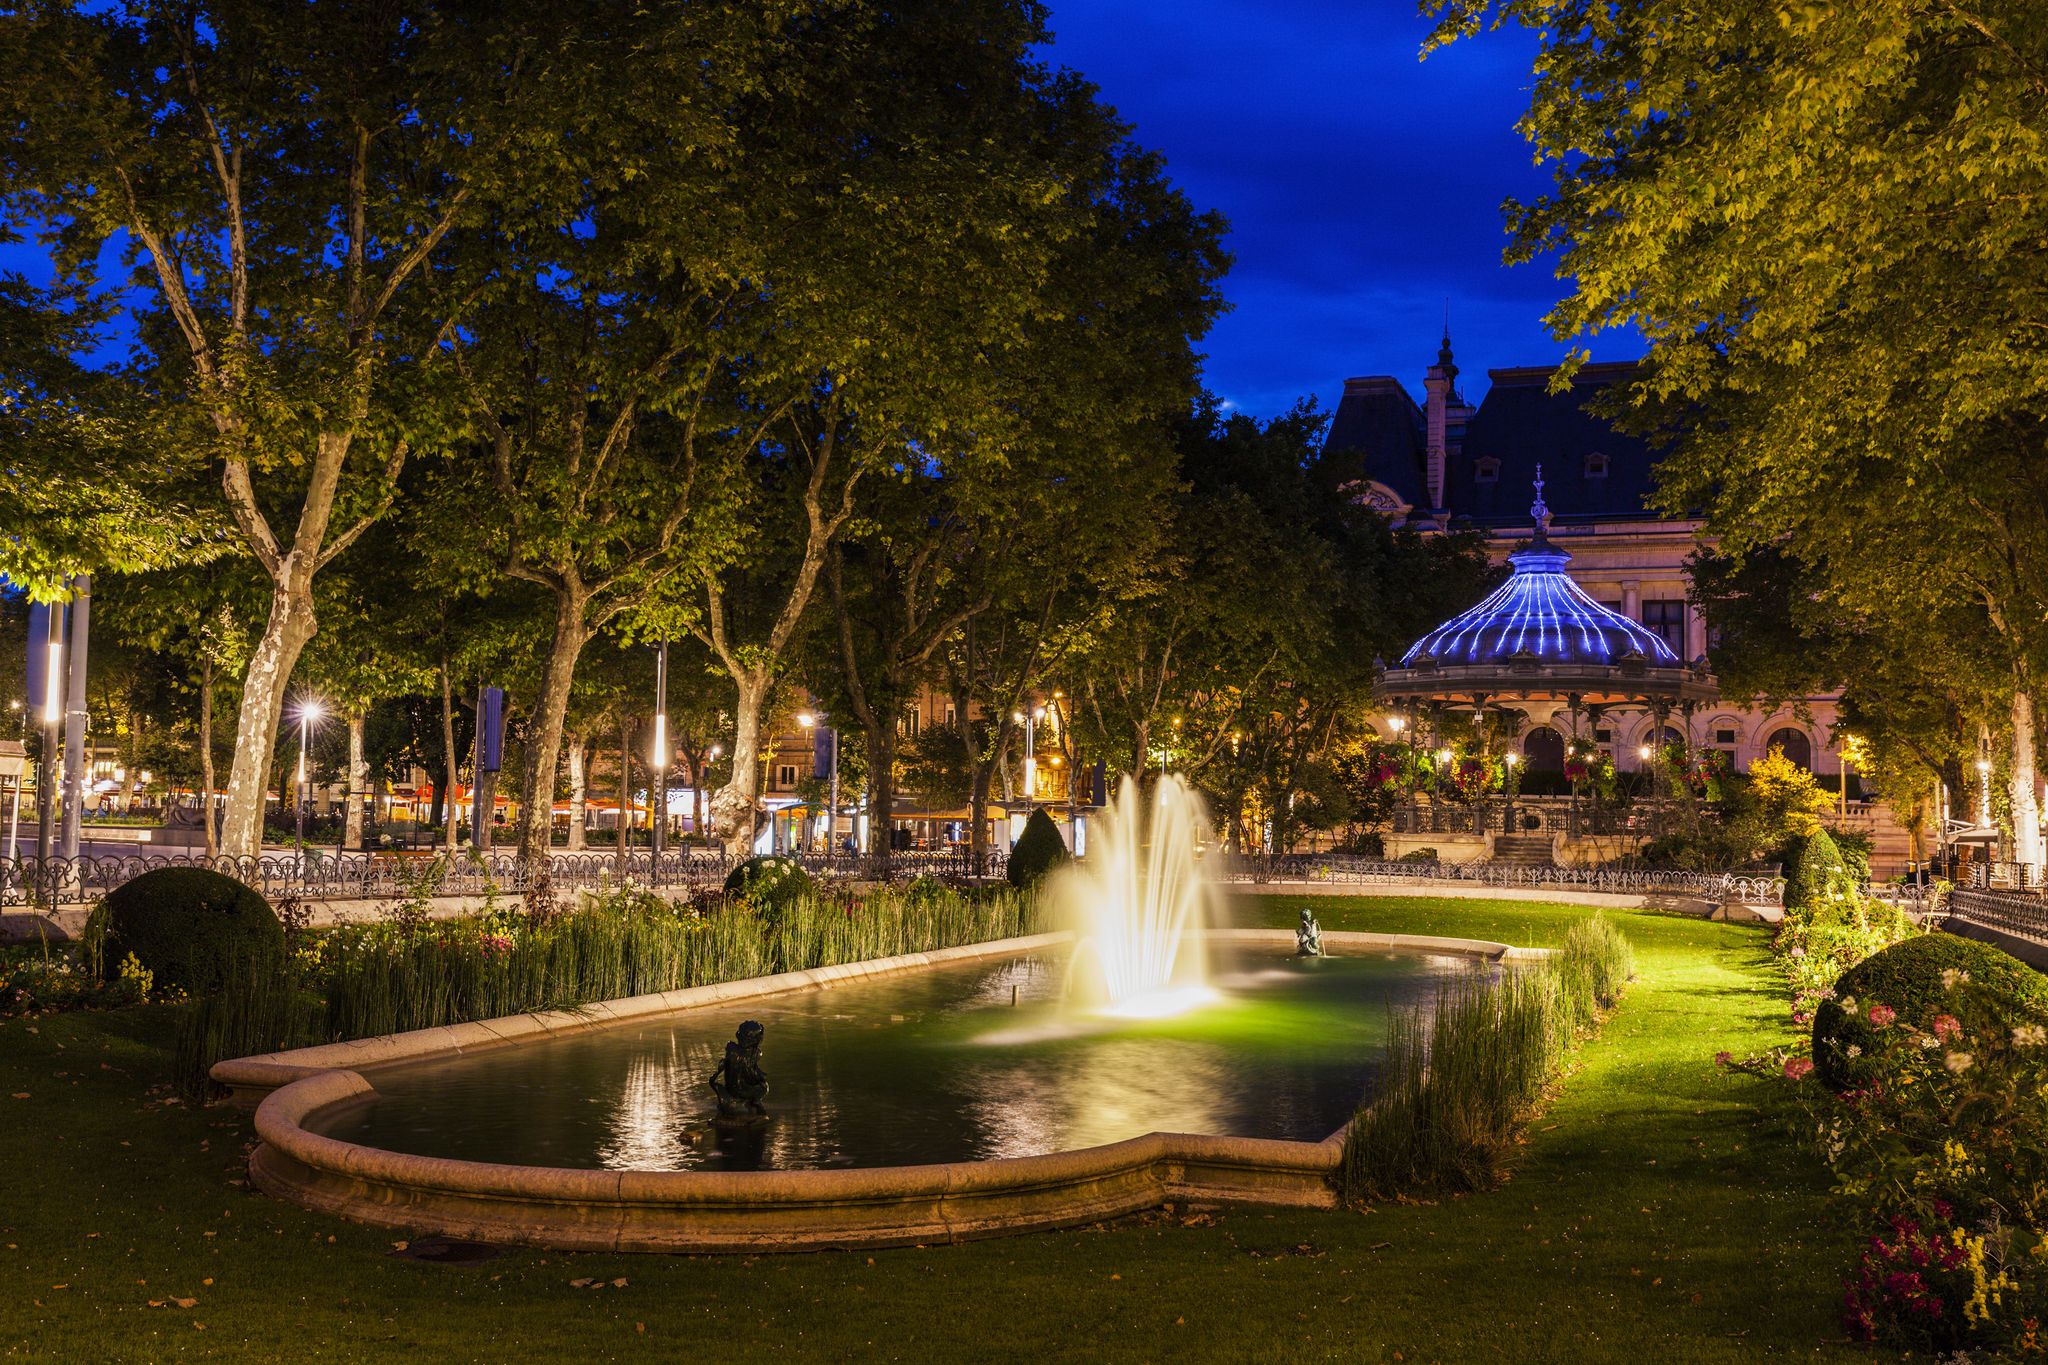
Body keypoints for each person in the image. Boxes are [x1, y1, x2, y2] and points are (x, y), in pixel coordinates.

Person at [708, 1020, 769, 1120]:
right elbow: (752, 1073)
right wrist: (761, 1076)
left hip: (730, 1088)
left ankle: (738, 1104)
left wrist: (715, 1076)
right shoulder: (756, 1054)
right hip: (744, 1090)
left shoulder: (731, 1048)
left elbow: (725, 1065)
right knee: (764, 1087)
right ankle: (754, 1103)